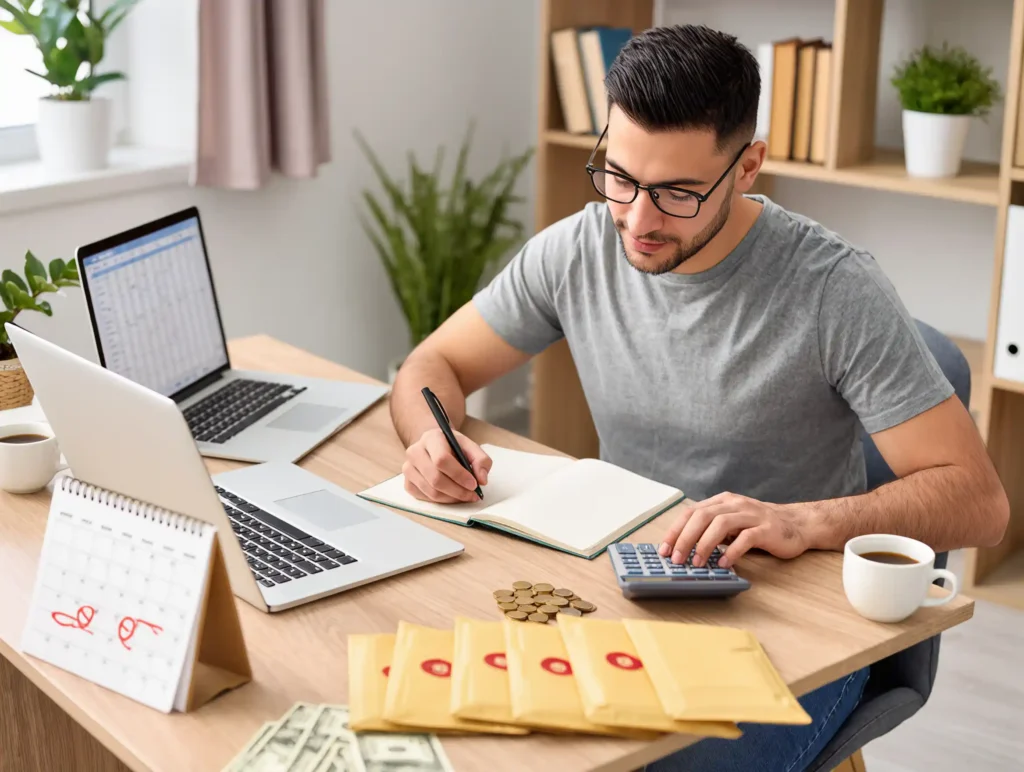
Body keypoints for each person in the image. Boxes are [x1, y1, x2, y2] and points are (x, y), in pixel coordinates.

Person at [386, 23, 1009, 771]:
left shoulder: (834, 290)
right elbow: (433, 363)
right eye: (619, 177)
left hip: (795, 634)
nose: (638, 220)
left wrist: (801, 520)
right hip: (627, 596)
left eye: (678, 192)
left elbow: (979, 502)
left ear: (748, 166)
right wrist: (430, 439)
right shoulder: (581, 246)